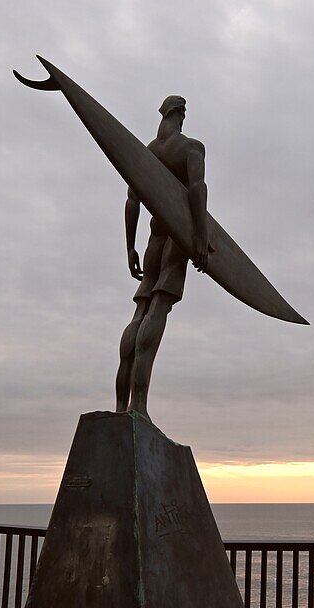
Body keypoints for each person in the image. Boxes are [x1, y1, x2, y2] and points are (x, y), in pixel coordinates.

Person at [116, 95, 211, 423]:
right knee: (158, 309)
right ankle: (138, 407)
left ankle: (120, 408)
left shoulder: (147, 154)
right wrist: (200, 235)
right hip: (176, 240)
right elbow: (197, 188)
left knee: (140, 310)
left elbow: (132, 202)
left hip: (153, 239)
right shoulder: (191, 148)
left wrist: (130, 247)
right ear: (180, 114)